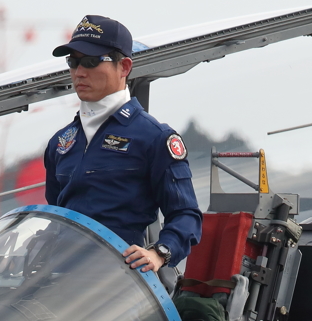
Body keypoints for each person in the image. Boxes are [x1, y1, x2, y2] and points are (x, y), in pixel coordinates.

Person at [44, 14, 202, 273]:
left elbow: (186, 214)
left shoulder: (154, 137)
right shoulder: (60, 142)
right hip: (62, 277)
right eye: (73, 62)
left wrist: (159, 253)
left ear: (124, 67)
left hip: (118, 280)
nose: (79, 72)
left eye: (91, 61)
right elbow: (54, 216)